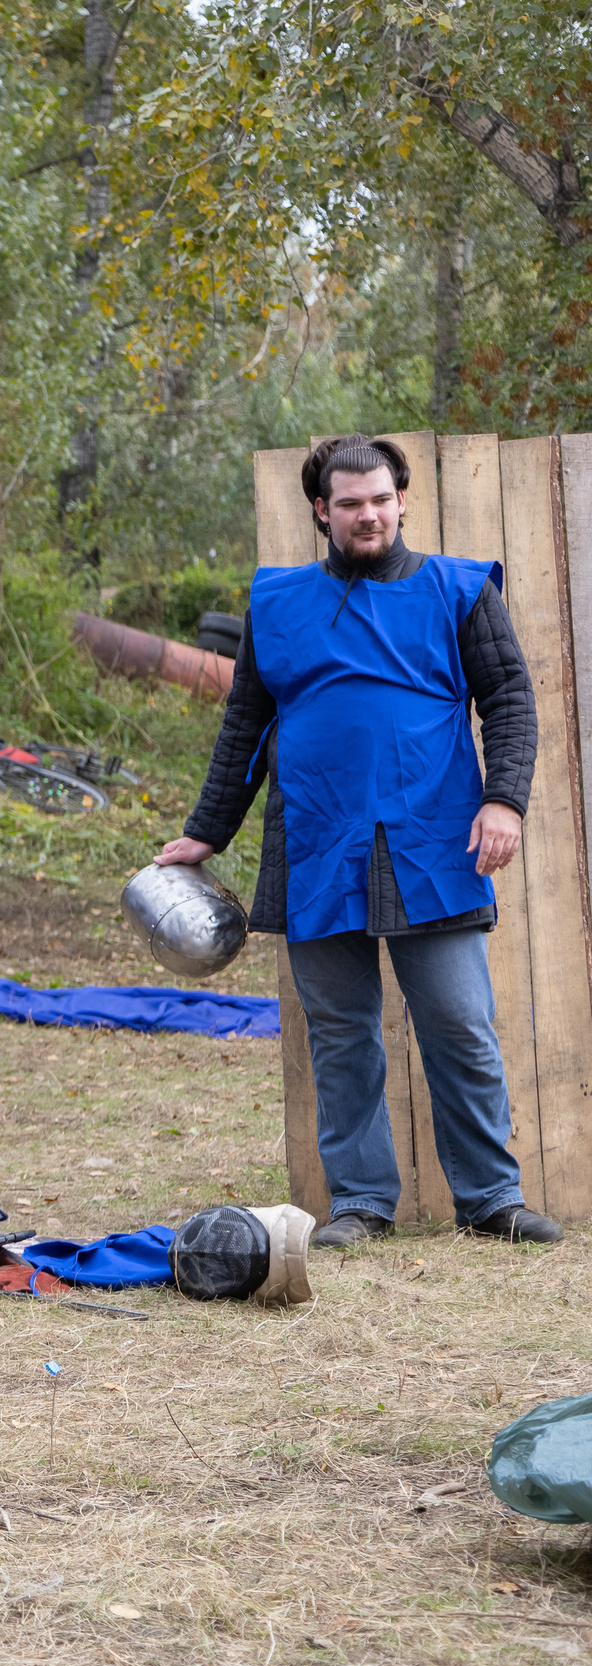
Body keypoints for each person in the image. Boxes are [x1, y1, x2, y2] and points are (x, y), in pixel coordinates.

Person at [160, 433, 556, 1247]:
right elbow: (243, 727)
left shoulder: (458, 589)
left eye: (381, 498)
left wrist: (504, 801)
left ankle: (491, 1198)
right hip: (316, 839)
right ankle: (363, 1202)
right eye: (350, 503)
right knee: (341, 1035)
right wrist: (206, 832)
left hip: (434, 840)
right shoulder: (276, 602)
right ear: (322, 511)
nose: (368, 514)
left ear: (402, 498)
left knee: (459, 1024)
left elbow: (510, 699)